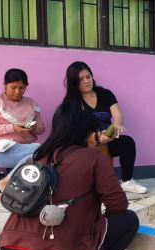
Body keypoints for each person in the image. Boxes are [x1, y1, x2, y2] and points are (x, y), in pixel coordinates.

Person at [0, 105, 139, 250]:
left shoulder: (38, 156)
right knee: (128, 220)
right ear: (86, 133)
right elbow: (118, 205)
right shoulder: (92, 157)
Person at [63, 61, 147, 194]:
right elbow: (74, 128)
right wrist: (95, 138)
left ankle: (126, 181)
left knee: (127, 142)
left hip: (108, 135)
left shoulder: (104, 94)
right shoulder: (72, 101)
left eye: (88, 77)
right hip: (86, 140)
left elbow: (118, 116)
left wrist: (115, 127)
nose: (86, 81)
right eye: (80, 79)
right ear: (74, 82)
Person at [0, 68, 45, 168]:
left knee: (41, 153)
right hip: (3, 150)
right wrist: (13, 128)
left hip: (26, 147)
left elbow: (41, 128)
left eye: (21, 88)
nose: (17, 92)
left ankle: (8, 180)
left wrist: (34, 128)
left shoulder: (31, 103)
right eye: (13, 87)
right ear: (4, 84)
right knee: (42, 152)